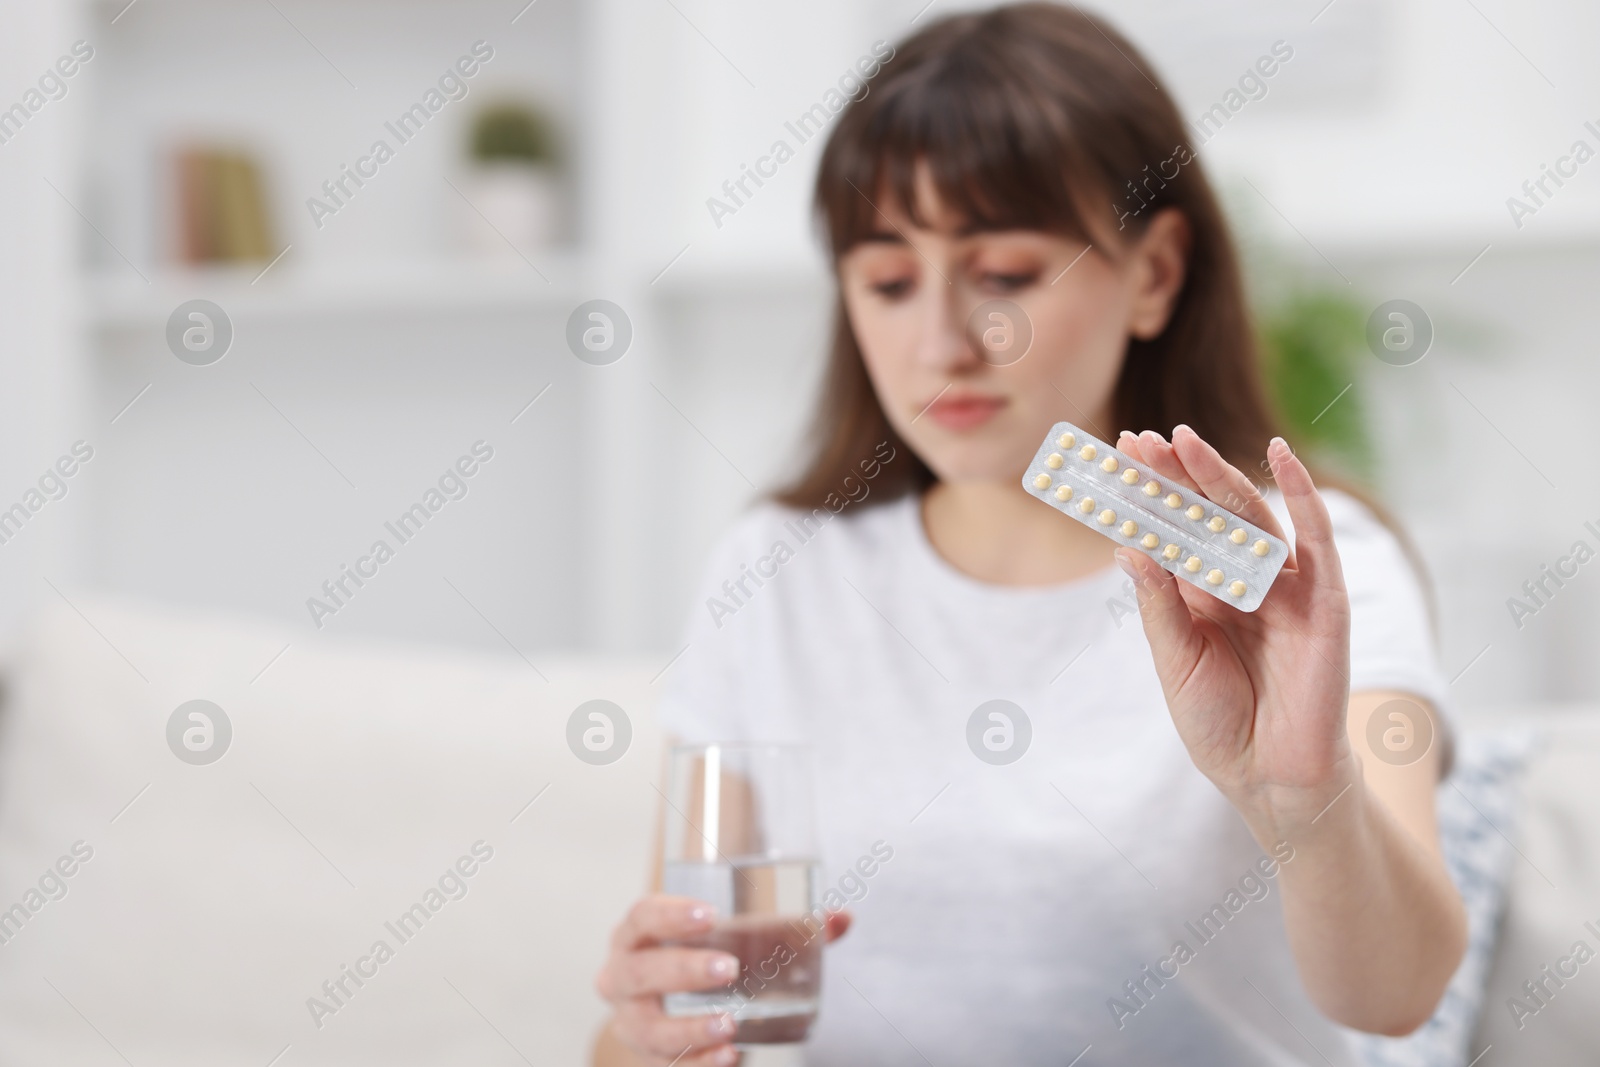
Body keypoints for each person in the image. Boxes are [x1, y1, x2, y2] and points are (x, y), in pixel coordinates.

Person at [593, 5, 1466, 1064]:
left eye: (1004, 273)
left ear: (1152, 273)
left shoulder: (1293, 582)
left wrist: (1300, 794)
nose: (941, 343)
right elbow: (691, 1013)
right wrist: (641, 1034)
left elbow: (1395, 995)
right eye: (887, 280)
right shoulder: (773, 571)